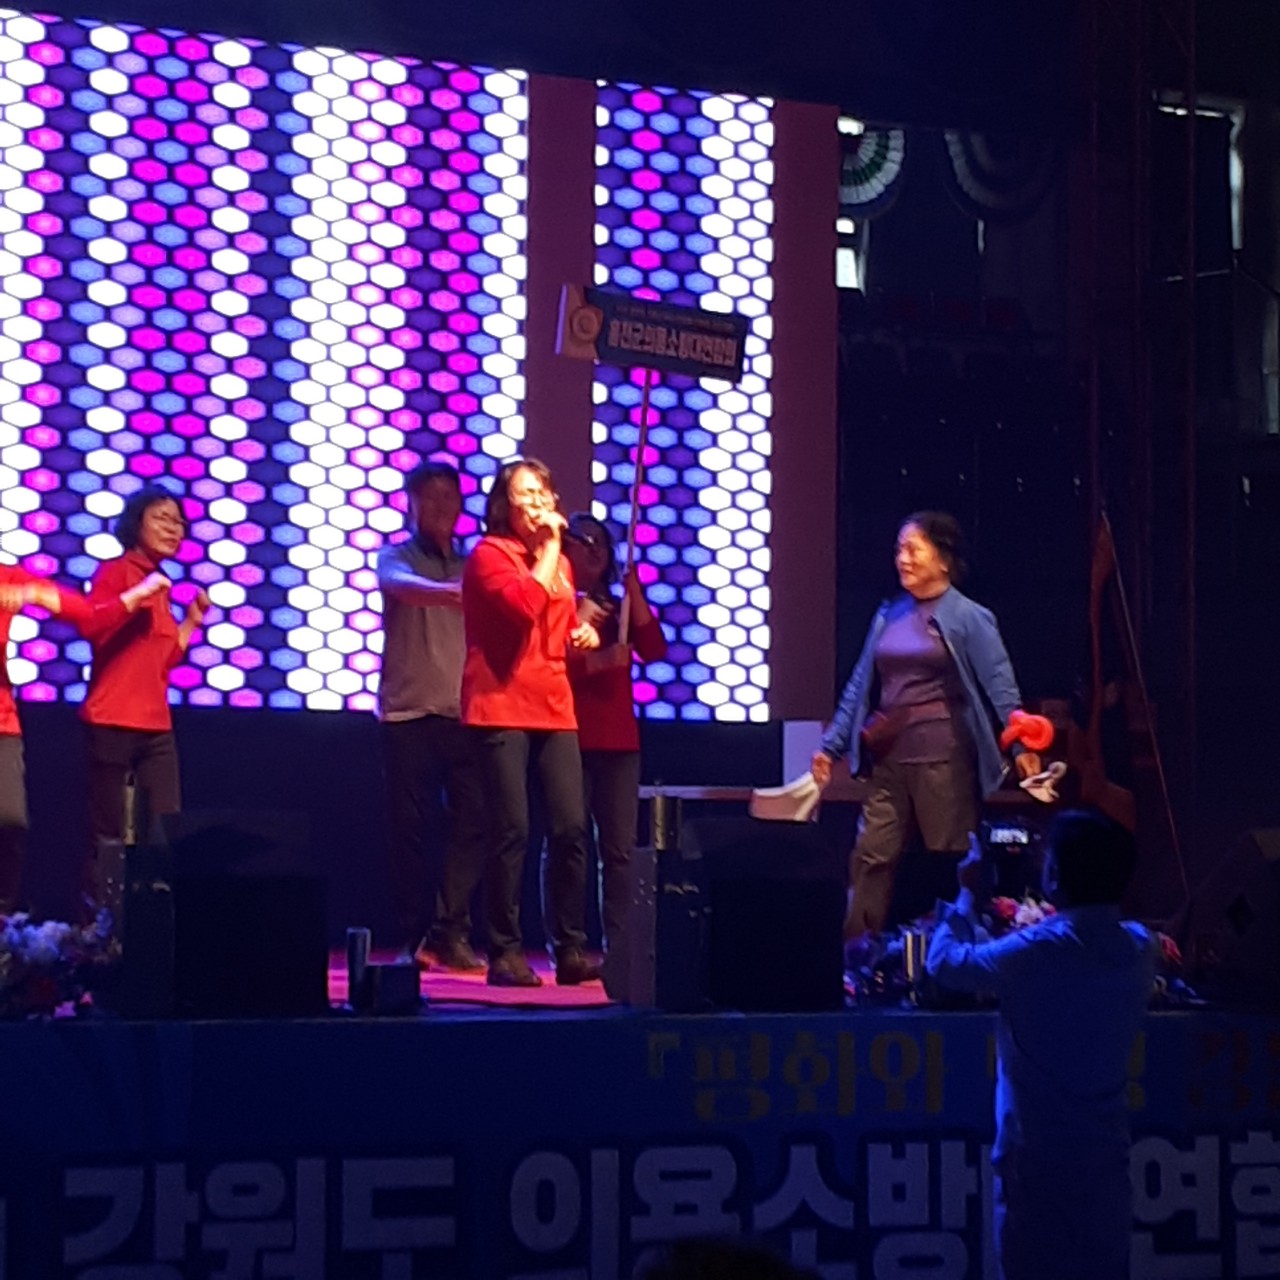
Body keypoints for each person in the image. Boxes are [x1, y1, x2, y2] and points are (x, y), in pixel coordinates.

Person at [926, 808, 1159, 1280]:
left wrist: (967, 891)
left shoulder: (1038, 950)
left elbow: (946, 964)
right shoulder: (1141, 948)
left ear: (1054, 875)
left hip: (1037, 1166)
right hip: (1106, 1166)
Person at [811, 511, 1040, 940]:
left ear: (944, 560)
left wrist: (1020, 746)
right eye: (899, 549)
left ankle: (961, 950)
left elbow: (1001, 686)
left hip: (944, 759)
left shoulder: (969, 616)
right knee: (870, 856)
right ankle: (857, 953)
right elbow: (860, 684)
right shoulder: (889, 614)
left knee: (951, 859)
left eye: (913, 549)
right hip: (887, 759)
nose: (903, 558)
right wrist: (831, 746)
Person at [461, 458, 600, 988]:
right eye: (525, 493)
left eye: (543, 492)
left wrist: (580, 635)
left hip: (554, 704)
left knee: (570, 828)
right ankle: (505, 951)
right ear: (503, 505)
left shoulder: (558, 562)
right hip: (500, 702)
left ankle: (570, 947)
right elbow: (523, 605)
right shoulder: (489, 555)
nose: (538, 502)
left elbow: (551, 624)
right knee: (512, 829)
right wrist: (548, 548)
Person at [0, 564, 167, 914]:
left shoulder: (7, 576)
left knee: (10, 820)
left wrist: (34, 594)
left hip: (3, 722)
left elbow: (86, 614)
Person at [377, 460, 487, 972]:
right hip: (408, 714)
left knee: (475, 822)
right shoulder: (396, 556)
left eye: (450, 496)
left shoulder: (475, 561)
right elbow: (399, 584)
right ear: (412, 504)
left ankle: (451, 929)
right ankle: (413, 936)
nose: (443, 506)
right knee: (411, 831)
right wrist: (457, 594)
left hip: (465, 714)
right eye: (431, 497)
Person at [563, 512, 667, 995]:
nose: (594, 549)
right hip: (569, 734)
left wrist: (636, 594)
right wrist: (603, 661)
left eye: (601, 542)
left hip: (619, 741)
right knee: (568, 844)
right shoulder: (557, 601)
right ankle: (568, 946)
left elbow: (655, 649)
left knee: (620, 852)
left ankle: (620, 951)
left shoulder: (616, 605)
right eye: (583, 540)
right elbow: (551, 664)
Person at [80, 484, 209, 859]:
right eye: (162, 519)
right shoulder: (117, 571)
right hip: (112, 722)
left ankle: (154, 897)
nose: (173, 529)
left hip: (156, 727)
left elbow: (162, 661)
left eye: (179, 522)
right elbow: (92, 625)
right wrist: (139, 594)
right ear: (136, 524)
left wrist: (191, 622)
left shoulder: (161, 583)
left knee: (163, 829)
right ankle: (100, 899)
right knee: (109, 835)